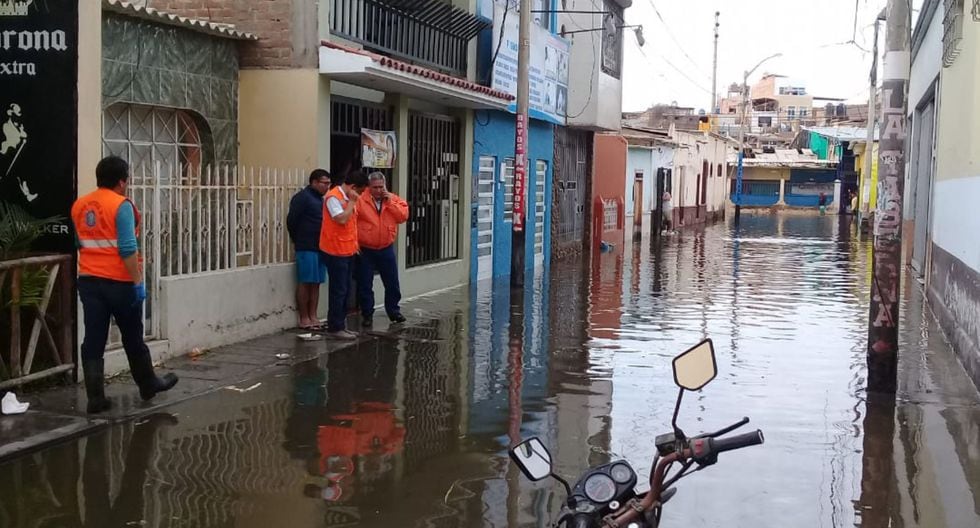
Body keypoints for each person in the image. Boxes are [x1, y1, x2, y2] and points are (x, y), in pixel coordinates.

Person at [71, 156, 178, 414]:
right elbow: (128, 248)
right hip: (119, 282)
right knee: (132, 334)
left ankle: (96, 399)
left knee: (94, 338)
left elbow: (79, 244)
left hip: (88, 281)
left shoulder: (80, 206)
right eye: (127, 180)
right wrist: (137, 282)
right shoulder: (122, 206)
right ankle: (148, 383)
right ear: (121, 181)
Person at [355, 172, 409, 327]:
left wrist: (390, 202)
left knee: (392, 282)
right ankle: (367, 314)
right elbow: (351, 222)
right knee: (365, 284)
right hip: (365, 248)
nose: (378, 190)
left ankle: (394, 311)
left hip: (386, 247)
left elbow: (402, 216)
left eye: (381, 187)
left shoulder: (393, 199)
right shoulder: (360, 200)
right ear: (369, 187)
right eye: (375, 187)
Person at [320, 170, 368, 339]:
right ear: (353, 187)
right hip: (335, 250)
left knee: (346, 289)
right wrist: (353, 203)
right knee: (339, 290)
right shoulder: (333, 197)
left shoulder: (347, 198)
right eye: (360, 191)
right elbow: (341, 219)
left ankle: (341, 324)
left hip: (347, 250)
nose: (361, 195)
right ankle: (335, 327)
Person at [287, 169, 331, 330]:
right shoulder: (302, 198)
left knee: (316, 282)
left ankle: (313, 315)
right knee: (305, 282)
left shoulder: (321, 200)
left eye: (328, 183)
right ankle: (304, 317)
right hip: (306, 246)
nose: (327, 186)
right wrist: (298, 238)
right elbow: (292, 221)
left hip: (320, 246)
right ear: (314, 182)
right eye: (324, 183)